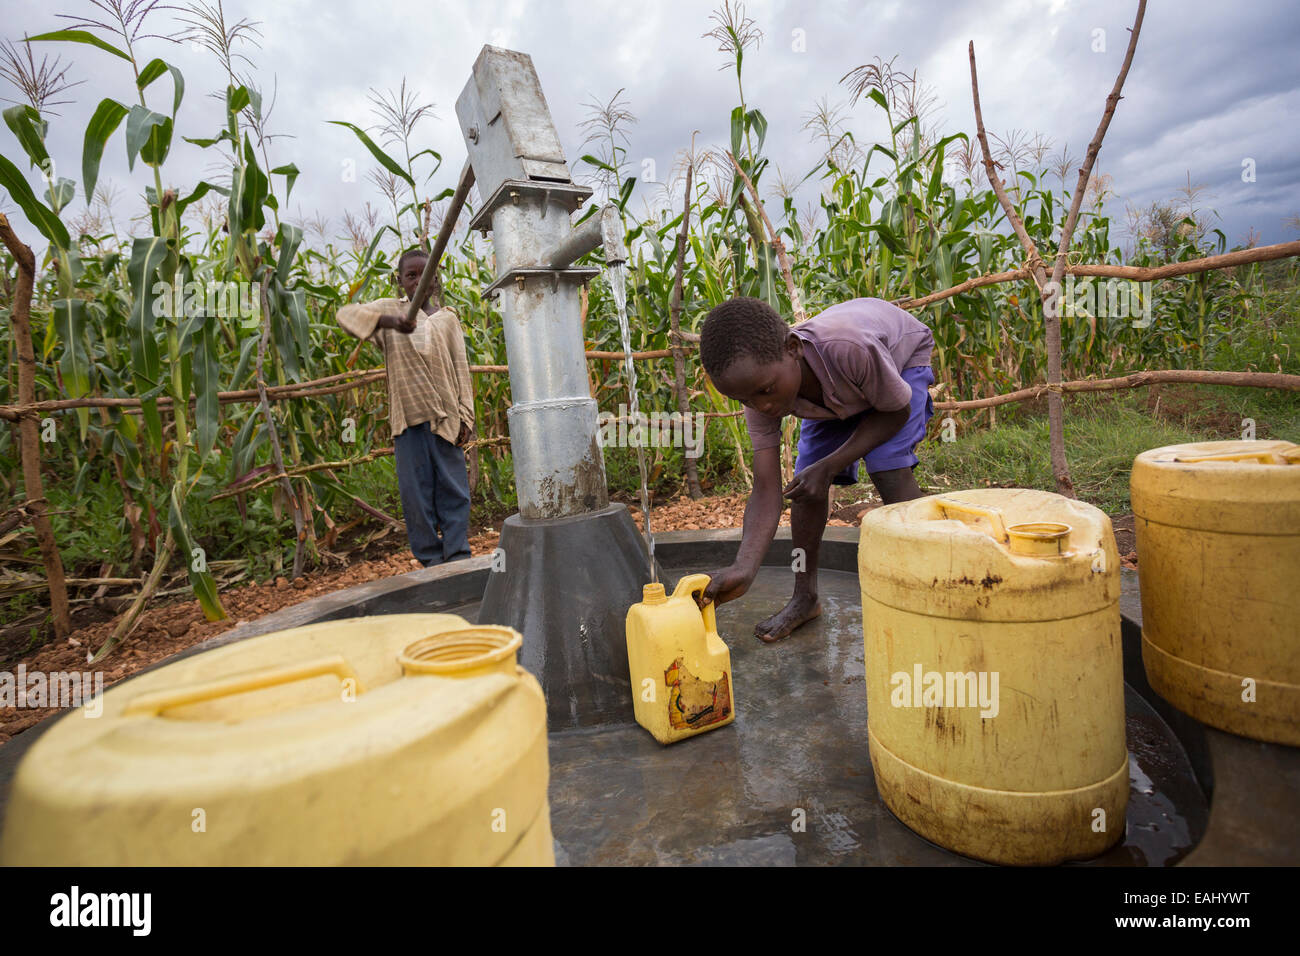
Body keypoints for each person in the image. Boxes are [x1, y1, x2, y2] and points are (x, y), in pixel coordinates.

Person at [697, 296, 935, 642]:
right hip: (830, 396)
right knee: (805, 490)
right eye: (745, 401)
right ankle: (804, 596)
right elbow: (766, 489)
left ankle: (934, 582)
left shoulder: (850, 348)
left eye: (765, 391)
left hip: (897, 365)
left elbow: (895, 412)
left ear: (793, 348)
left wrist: (830, 466)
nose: (761, 406)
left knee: (887, 466)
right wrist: (744, 568)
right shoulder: (763, 394)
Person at [336, 248, 475, 567]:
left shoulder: (448, 319)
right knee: (416, 497)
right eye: (410, 275)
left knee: (454, 490)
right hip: (408, 422)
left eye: (424, 274)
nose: (417, 281)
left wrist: (466, 416)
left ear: (434, 280)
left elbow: (461, 370)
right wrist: (391, 322)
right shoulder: (389, 311)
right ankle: (430, 561)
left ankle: (458, 557)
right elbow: (345, 316)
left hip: (446, 420)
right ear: (399, 281)